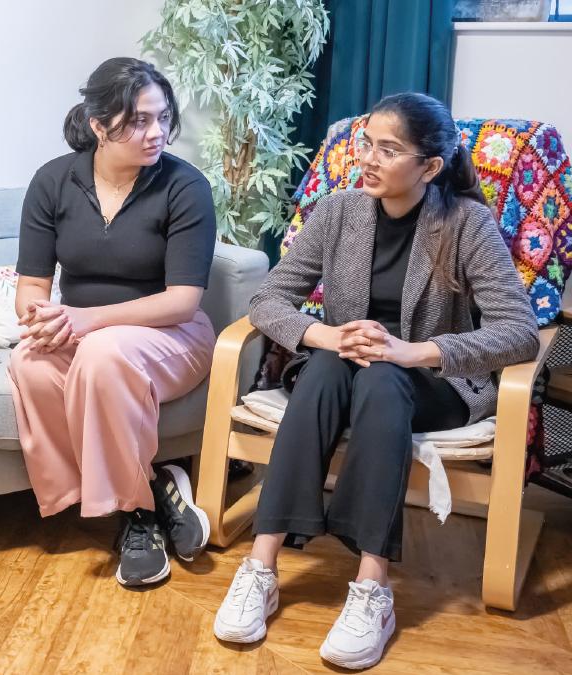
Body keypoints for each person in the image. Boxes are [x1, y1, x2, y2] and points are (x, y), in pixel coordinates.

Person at [211, 92, 539, 670]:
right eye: (367, 142)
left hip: (430, 382)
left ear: (430, 167)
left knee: (384, 378)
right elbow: (269, 299)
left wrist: (414, 351)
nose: (367, 157)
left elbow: (518, 332)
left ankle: (371, 587)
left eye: (388, 149)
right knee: (327, 373)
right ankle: (261, 567)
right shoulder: (338, 211)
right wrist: (326, 337)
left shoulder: (466, 224)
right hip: (339, 367)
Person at [7, 57, 217, 587]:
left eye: (162, 118)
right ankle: (150, 489)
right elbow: (32, 286)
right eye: (138, 122)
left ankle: (138, 517)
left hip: (171, 336)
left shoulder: (184, 186)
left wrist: (86, 320)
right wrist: (44, 319)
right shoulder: (54, 181)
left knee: (103, 355)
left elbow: (182, 301)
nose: (157, 133)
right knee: (29, 361)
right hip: (89, 336)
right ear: (99, 126)